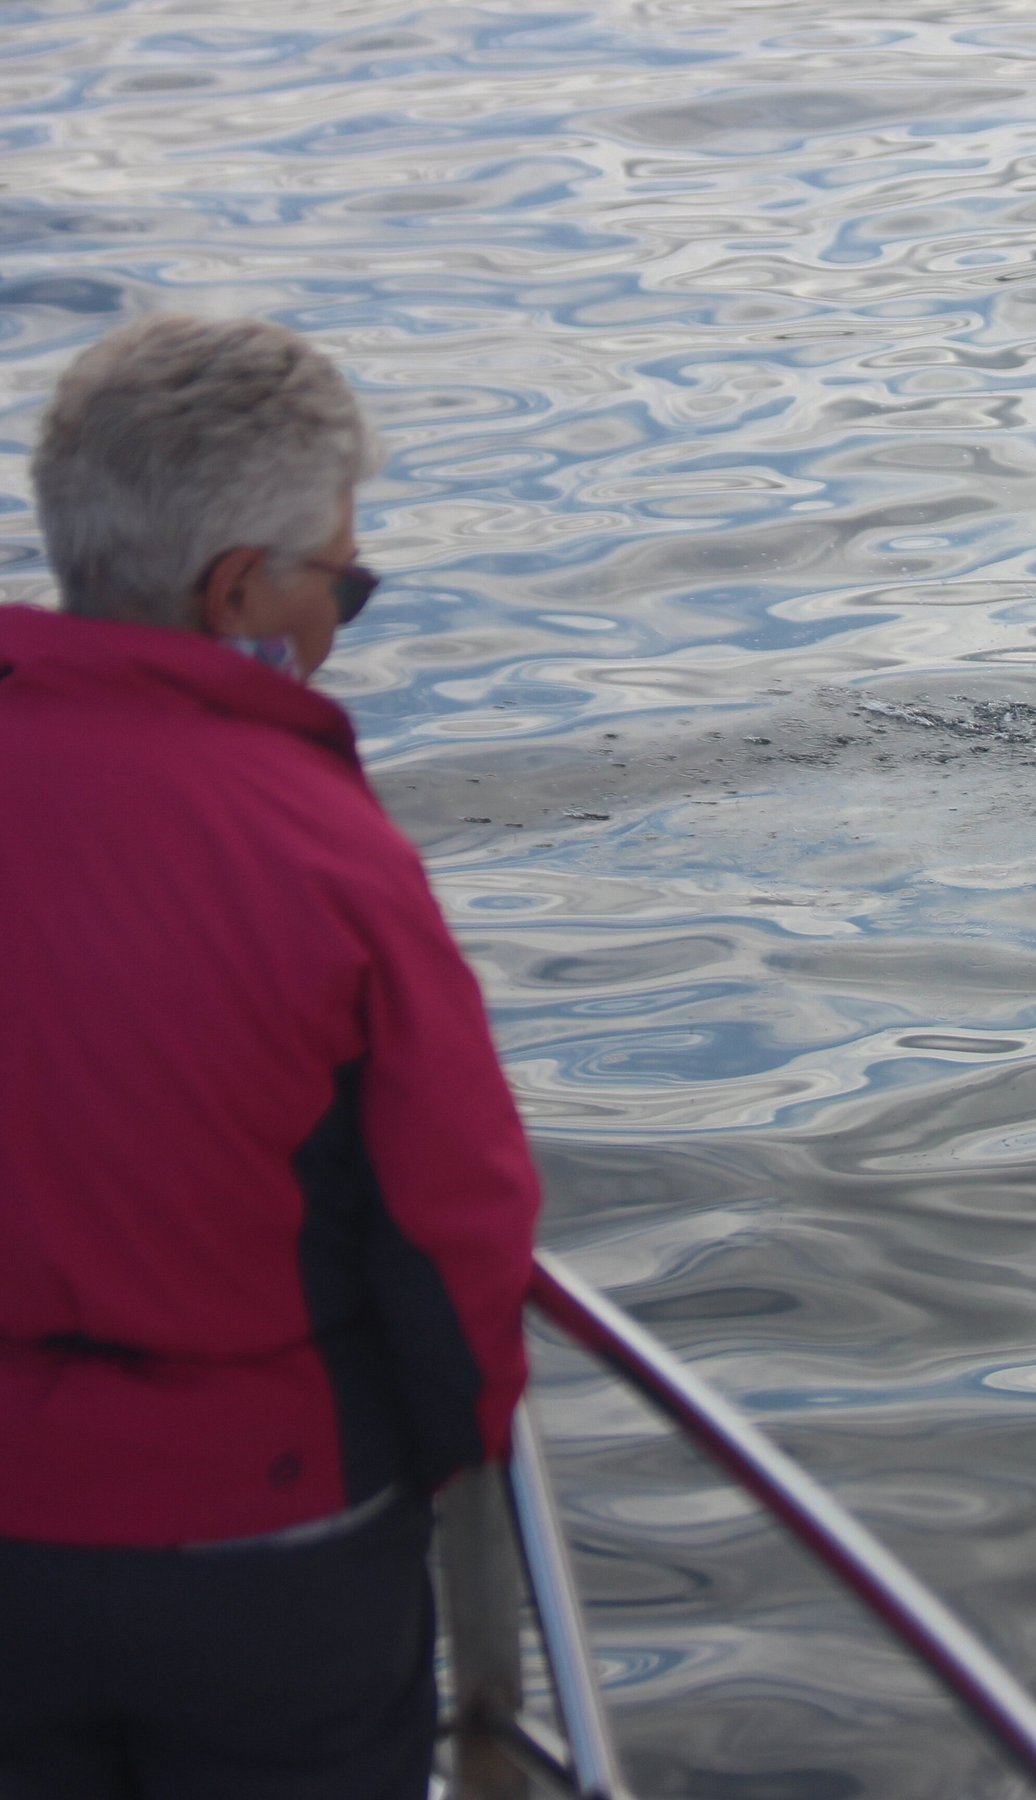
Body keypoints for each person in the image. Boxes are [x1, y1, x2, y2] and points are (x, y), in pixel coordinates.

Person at [0, 315, 542, 1797]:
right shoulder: (321, 853)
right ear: (238, 590)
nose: (339, 620)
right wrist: (445, 1462)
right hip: (265, 1552)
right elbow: (454, 1231)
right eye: (344, 586)